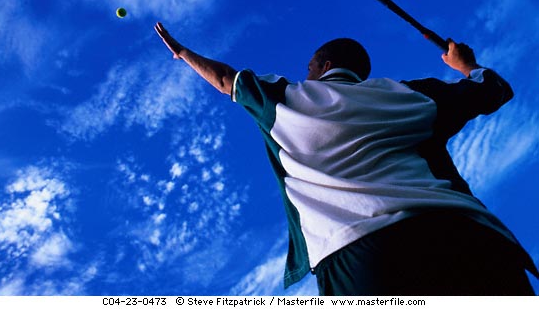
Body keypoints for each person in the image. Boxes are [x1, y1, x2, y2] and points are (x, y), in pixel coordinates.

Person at [154, 22, 538, 295]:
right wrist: (465, 64)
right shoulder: (411, 95)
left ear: (323, 66)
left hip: (361, 254)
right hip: (464, 235)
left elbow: (226, 79)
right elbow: (494, 89)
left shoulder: (287, 99)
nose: (306, 73)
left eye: (309, 67)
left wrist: (184, 53)